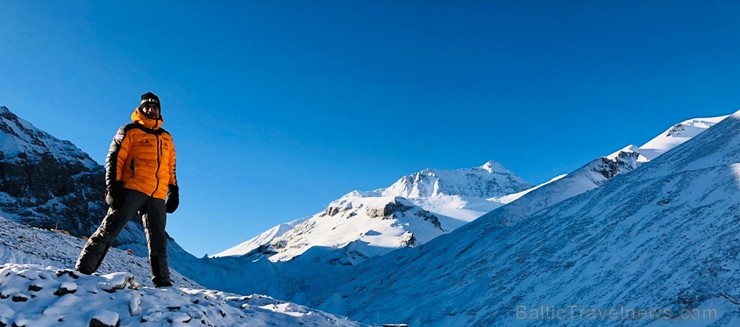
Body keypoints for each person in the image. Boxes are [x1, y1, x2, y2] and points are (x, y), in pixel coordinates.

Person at [76, 91, 180, 288]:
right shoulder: (130, 130)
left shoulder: (167, 138)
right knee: (110, 228)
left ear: (159, 110)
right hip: (132, 187)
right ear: (140, 109)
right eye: (147, 106)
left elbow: (170, 167)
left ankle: (163, 283)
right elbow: (115, 159)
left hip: (157, 195)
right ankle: (83, 271)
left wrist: (173, 190)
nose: (151, 109)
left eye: (155, 106)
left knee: (158, 241)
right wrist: (112, 187)